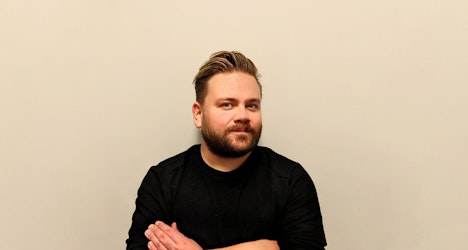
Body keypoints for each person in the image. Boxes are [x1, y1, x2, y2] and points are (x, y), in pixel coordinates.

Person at [126, 51, 327, 250]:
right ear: (198, 114)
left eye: (252, 105)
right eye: (227, 104)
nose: (242, 115)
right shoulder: (162, 181)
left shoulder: (290, 180)